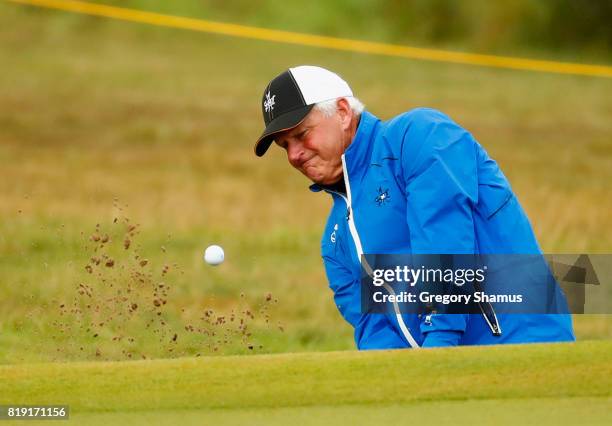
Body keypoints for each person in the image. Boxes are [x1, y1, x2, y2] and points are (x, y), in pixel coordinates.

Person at [254, 65, 575, 349]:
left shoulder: (418, 136)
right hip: (443, 378)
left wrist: (439, 344)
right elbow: (375, 333)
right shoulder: (335, 241)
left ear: (342, 112)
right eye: (285, 146)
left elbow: (443, 239)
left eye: (301, 134)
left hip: (522, 347)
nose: (294, 155)